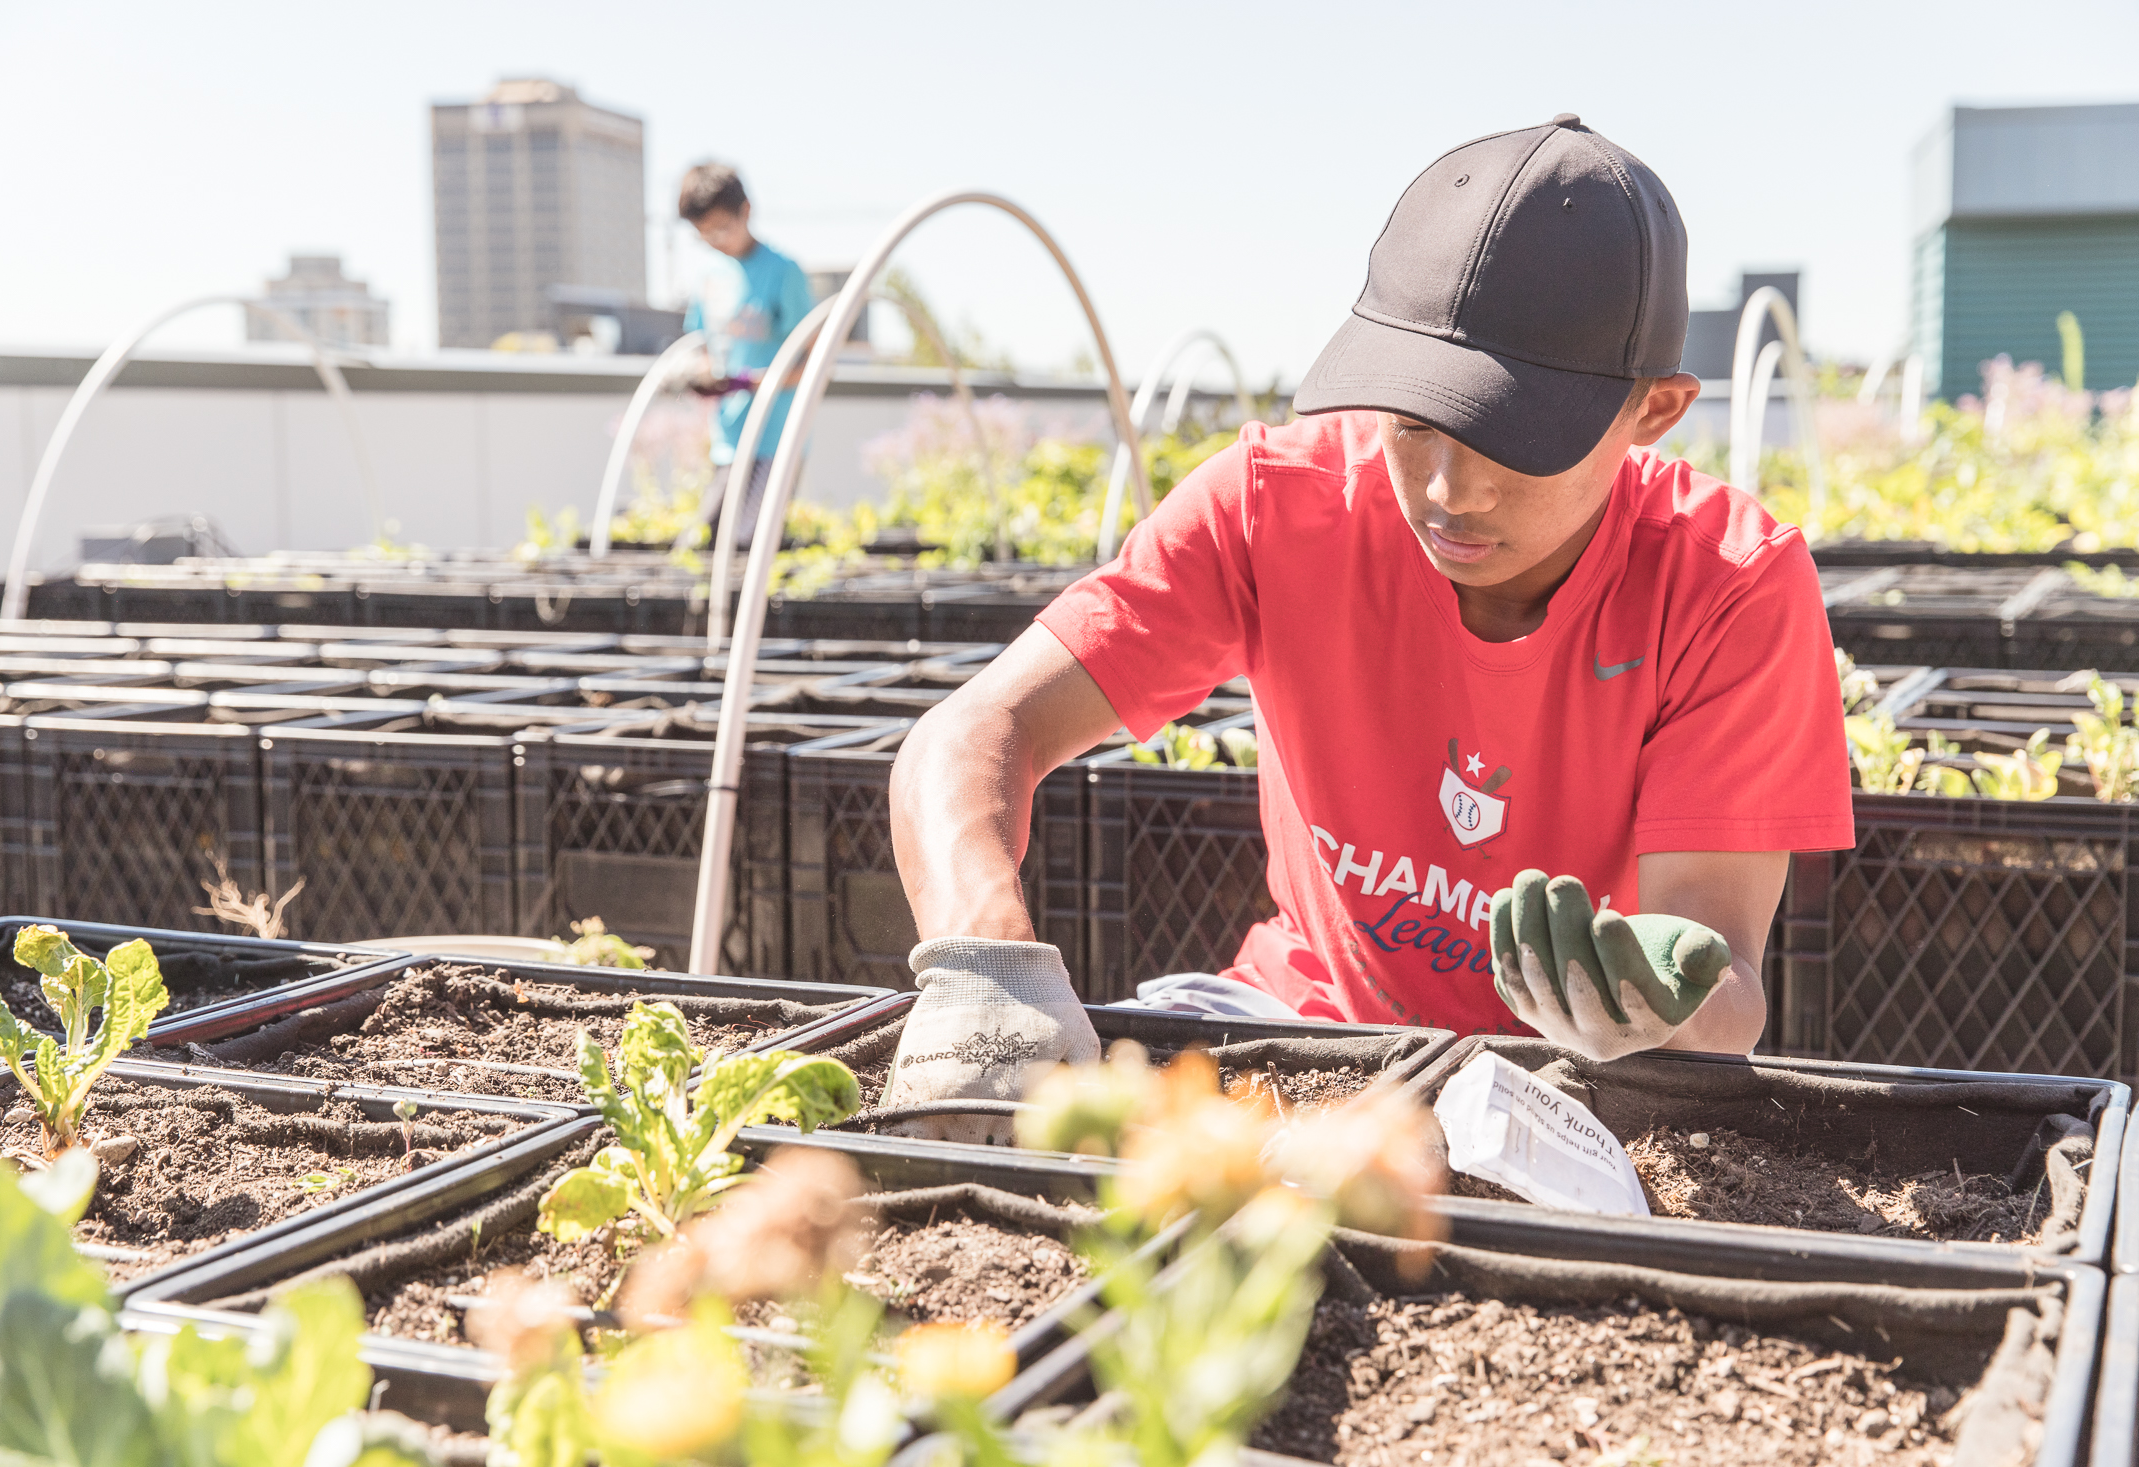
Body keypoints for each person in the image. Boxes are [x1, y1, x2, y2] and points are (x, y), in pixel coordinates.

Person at [877, 115, 1855, 1143]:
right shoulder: (1276, 503)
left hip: (1564, 1083)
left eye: (1513, 438)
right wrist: (983, 959)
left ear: (1653, 410)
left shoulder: (1727, 584)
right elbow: (974, 732)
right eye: (1413, 420)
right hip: (1296, 1027)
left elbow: (1723, 980)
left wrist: (1654, 1003)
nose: (1448, 489)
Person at [679, 163, 815, 550]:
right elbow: (703, 342)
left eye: (722, 228)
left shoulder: (783, 272)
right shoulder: (710, 275)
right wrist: (706, 375)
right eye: (704, 234)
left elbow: (814, 361)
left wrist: (756, 382)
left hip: (774, 437)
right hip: (729, 435)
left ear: (747, 212)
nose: (715, 241)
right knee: (709, 541)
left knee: (741, 545)